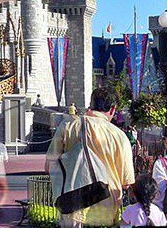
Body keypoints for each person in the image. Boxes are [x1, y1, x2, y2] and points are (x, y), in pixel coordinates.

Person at [46, 87, 135, 227]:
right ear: (113, 109)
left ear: (91, 104)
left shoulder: (68, 126)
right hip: (106, 211)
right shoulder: (120, 137)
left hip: (73, 206)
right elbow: (127, 182)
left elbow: (49, 166)